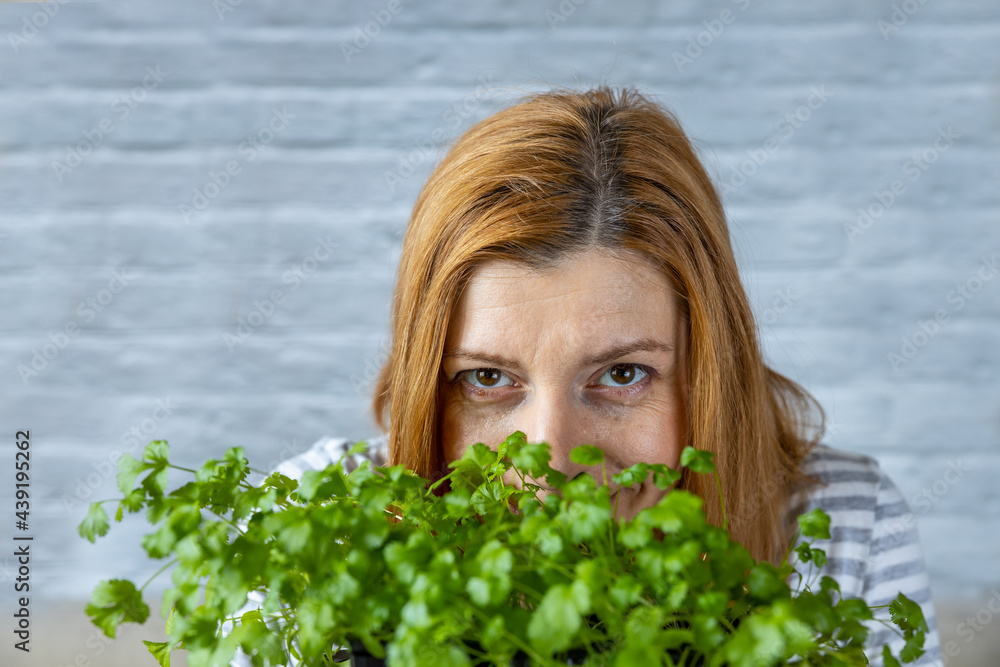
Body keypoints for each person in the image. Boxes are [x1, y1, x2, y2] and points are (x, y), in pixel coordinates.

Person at [230, 85, 943, 666]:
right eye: (485, 379)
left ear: (706, 372)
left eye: (623, 373)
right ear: (427, 381)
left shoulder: (847, 532)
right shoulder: (312, 532)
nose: (553, 461)